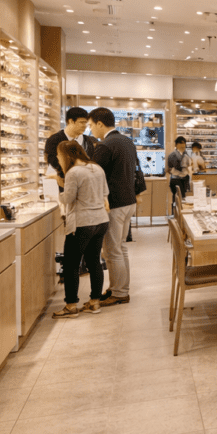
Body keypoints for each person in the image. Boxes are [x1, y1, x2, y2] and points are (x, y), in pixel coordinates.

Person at [52, 140, 109, 319]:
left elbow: (68, 198)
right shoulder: (96, 168)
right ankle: (95, 302)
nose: (58, 160)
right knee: (94, 261)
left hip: (82, 223)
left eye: (59, 156)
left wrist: (56, 194)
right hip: (100, 220)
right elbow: (105, 193)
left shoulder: (73, 172)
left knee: (71, 265)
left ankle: (71, 306)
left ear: (67, 156)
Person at [89, 107, 139, 306]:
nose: (91, 130)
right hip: (129, 201)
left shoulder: (105, 145)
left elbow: (93, 174)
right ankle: (119, 287)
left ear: (100, 124)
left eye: (92, 125)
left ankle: (119, 292)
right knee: (121, 248)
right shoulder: (127, 142)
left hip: (114, 204)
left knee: (112, 250)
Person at [44, 107, 95, 188]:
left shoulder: (88, 141)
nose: (85, 126)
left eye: (86, 123)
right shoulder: (54, 140)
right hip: (60, 186)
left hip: (84, 187)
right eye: (81, 122)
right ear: (71, 121)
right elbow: (52, 161)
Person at [166, 136, 192, 212]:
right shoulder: (172, 155)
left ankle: (180, 214)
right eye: (181, 144)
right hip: (175, 180)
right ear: (176, 145)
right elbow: (172, 169)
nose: (183, 146)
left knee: (183, 198)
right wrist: (182, 171)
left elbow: (189, 165)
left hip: (184, 180)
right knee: (177, 198)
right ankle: (175, 214)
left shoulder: (186, 154)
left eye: (184, 144)